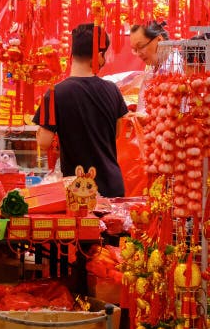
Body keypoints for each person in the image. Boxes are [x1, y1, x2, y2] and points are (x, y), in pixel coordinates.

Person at [33, 23, 129, 198]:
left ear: (73, 53)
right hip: (112, 185)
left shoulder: (54, 93)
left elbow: (44, 142)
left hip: (79, 190)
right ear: (99, 55)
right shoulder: (113, 90)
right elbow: (116, 133)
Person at [130, 21, 183, 113]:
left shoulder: (180, 67)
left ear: (159, 40)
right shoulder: (150, 73)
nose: (138, 54)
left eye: (141, 46)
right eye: (135, 50)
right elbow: (142, 110)